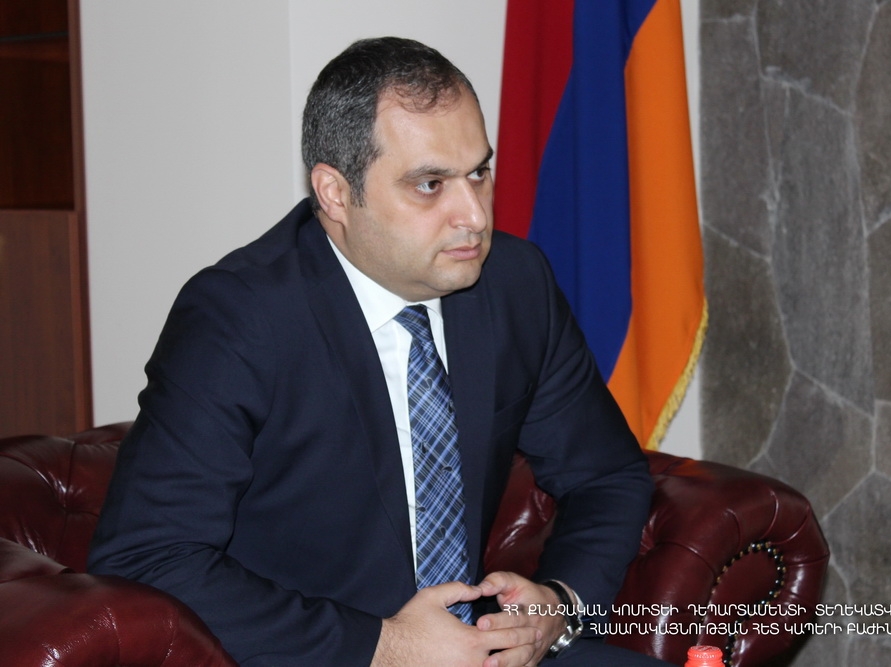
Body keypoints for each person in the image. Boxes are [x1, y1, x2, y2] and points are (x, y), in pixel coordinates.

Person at [89, 37, 668, 667]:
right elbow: (147, 557)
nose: (474, 216)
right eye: (430, 184)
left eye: (479, 173)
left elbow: (606, 476)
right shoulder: (240, 318)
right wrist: (385, 646)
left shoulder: (514, 284)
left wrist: (559, 603)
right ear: (335, 194)